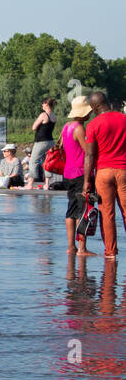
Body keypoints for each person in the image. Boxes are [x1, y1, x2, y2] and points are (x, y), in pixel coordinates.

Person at [83, 91, 126, 261]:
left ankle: (111, 252)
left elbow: (90, 155)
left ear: (94, 107)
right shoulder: (124, 118)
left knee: (107, 214)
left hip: (103, 173)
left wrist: (87, 180)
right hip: (124, 170)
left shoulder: (93, 125)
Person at [62, 96, 95, 255]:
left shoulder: (66, 126)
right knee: (83, 210)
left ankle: (70, 247)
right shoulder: (79, 128)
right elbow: (87, 150)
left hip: (68, 173)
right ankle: (82, 248)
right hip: (80, 173)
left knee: (71, 210)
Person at [29, 98, 57, 189]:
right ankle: (47, 184)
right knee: (46, 162)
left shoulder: (43, 115)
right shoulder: (54, 116)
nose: (42, 105)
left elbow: (34, 127)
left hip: (41, 141)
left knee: (33, 161)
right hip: (50, 141)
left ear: (46, 104)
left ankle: (30, 184)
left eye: (43, 103)